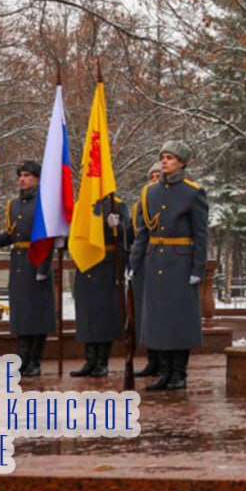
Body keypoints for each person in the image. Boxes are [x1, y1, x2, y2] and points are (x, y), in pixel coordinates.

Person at [128, 140, 208, 391]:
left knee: (179, 320)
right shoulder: (149, 193)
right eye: (163, 157)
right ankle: (164, 372)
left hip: (180, 262)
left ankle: (179, 373)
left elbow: (201, 234)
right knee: (158, 319)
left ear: (182, 163)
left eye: (170, 158)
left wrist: (198, 268)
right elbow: (143, 232)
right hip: (155, 261)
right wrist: (134, 262)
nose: (164, 161)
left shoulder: (193, 192)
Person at [0, 160, 56, 376]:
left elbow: (48, 238)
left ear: (37, 178)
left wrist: (43, 268)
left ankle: (34, 361)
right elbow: (11, 235)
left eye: (27, 175)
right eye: (20, 175)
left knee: (37, 316)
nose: (22, 179)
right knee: (21, 315)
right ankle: (22, 359)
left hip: (36, 262)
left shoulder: (44, 203)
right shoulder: (14, 205)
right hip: (19, 264)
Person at [71, 192, 130, 378]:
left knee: (104, 317)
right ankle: (90, 361)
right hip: (85, 264)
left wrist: (118, 226)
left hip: (107, 265)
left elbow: (129, 235)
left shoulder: (116, 205)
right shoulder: (81, 205)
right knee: (86, 315)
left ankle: (102, 362)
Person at [130, 161, 163, 379]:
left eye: (158, 176)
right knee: (146, 316)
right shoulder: (139, 205)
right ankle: (152, 359)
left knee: (162, 315)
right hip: (144, 264)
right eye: (152, 177)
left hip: (163, 262)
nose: (155, 180)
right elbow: (135, 235)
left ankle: (164, 361)